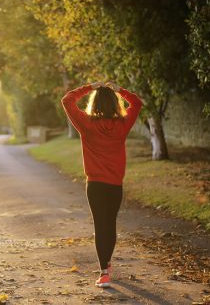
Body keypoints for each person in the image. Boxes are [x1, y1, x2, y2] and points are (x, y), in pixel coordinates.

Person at [61, 80, 143, 288]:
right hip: (115, 185)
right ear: (115, 104)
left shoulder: (86, 124)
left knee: (100, 225)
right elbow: (137, 103)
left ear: (94, 103)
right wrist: (119, 90)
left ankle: (104, 272)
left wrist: (90, 86)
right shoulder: (122, 125)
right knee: (110, 224)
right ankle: (106, 264)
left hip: (95, 186)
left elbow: (67, 100)